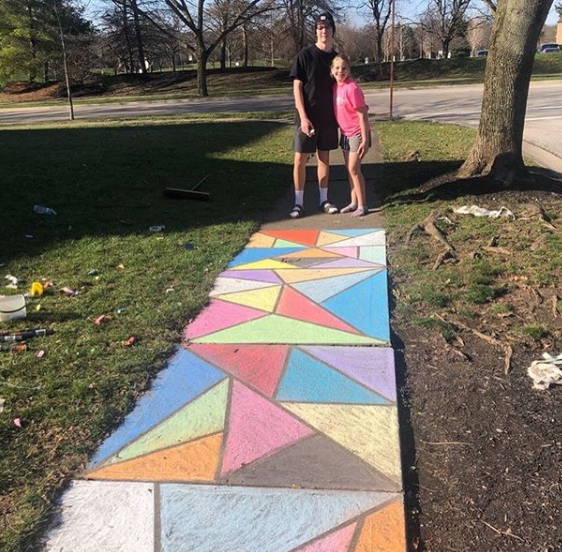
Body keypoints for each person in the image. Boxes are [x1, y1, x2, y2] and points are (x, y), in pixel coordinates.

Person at [288, 12, 339, 219]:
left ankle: (323, 200)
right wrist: (303, 117)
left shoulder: (335, 59)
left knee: (324, 158)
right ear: (315, 31)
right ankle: (298, 203)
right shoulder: (305, 55)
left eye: (326, 27)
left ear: (332, 31)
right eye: (319, 28)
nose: (323, 31)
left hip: (328, 118)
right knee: (300, 159)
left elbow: (342, 88)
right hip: (306, 117)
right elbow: (297, 87)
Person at [331, 54, 371, 217]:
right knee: (349, 170)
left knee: (354, 169)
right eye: (337, 68)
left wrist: (365, 139)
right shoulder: (336, 87)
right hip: (345, 134)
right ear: (332, 70)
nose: (341, 71)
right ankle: (354, 202)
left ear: (349, 70)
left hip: (357, 134)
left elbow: (363, 115)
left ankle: (363, 205)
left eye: (344, 68)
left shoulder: (352, 88)